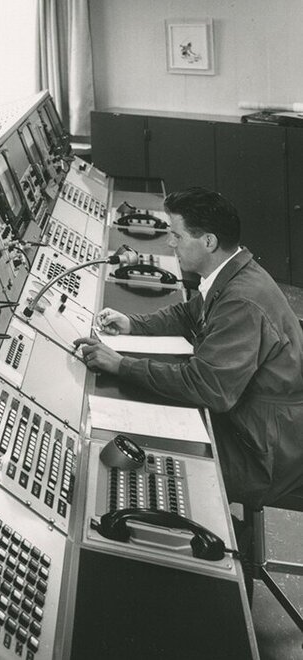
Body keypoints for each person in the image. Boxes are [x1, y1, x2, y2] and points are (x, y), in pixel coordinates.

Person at [74, 187, 303, 508]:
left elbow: (207, 387)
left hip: (260, 451)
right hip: (250, 419)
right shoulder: (233, 273)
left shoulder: (241, 301)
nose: (170, 243)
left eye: (178, 236)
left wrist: (120, 365)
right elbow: (190, 312)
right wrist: (133, 324)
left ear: (208, 241)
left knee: (144, 451)